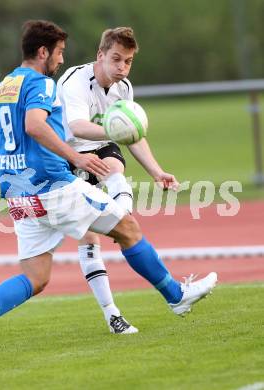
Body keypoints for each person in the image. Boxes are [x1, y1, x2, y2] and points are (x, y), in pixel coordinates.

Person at [0, 20, 217, 355]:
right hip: (53, 187)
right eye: (59, 52)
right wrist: (76, 158)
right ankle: (176, 297)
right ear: (43, 52)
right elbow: (35, 126)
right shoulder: (43, 84)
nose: (61, 60)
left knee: (36, 277)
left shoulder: (4, 86)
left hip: (17, 194)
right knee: (128, 229)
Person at [57, 27, 179, 334]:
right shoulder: (76, 81)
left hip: (99, 146)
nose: (122, 67)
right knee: (88, 239)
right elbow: (77, 127)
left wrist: (156, 171)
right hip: (68, 155)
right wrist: (116, 130)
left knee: (113, 165)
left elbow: (133, 135)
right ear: (100, 55)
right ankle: (112, 314)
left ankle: (119, 216)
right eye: (116, 59)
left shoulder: (123, 87)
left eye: (127, 61)